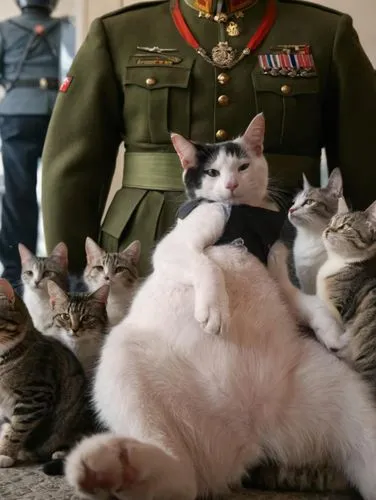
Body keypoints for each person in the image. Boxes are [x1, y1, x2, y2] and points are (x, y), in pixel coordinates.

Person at [41, 0, 376, 276]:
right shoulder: (120, 33)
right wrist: (67, 269)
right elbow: (74, 161)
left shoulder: (325, 32)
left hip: (286, 239)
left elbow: (366, 157)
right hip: (148, 242)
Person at [0, 0, 74, 287]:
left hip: (18, 113)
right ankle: (66, 268)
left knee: (18, 195)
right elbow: (74, 71)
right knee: (62, 189)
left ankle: (14, 275)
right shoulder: (67, 28)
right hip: (58, 112)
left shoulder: (5, 29)